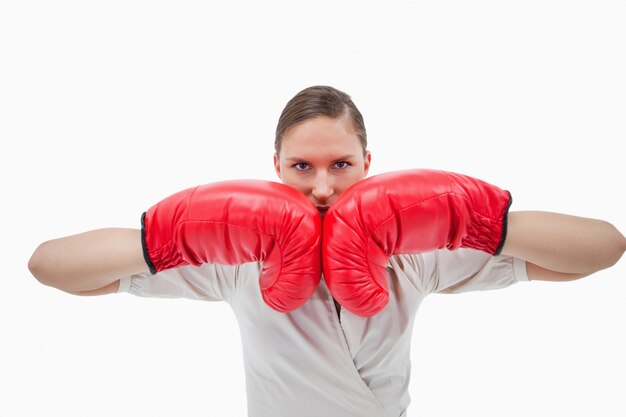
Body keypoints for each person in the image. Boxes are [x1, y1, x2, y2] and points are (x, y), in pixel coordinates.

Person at [27, 86, 625, 417]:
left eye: (341, 165)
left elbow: (602, 250)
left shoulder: (413, 254)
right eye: (302, 167)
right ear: (275, 169)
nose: (321, 186)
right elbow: (50, 267)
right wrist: (163, 240)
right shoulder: (238, 260)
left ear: (369, 166)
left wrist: (480, 221)